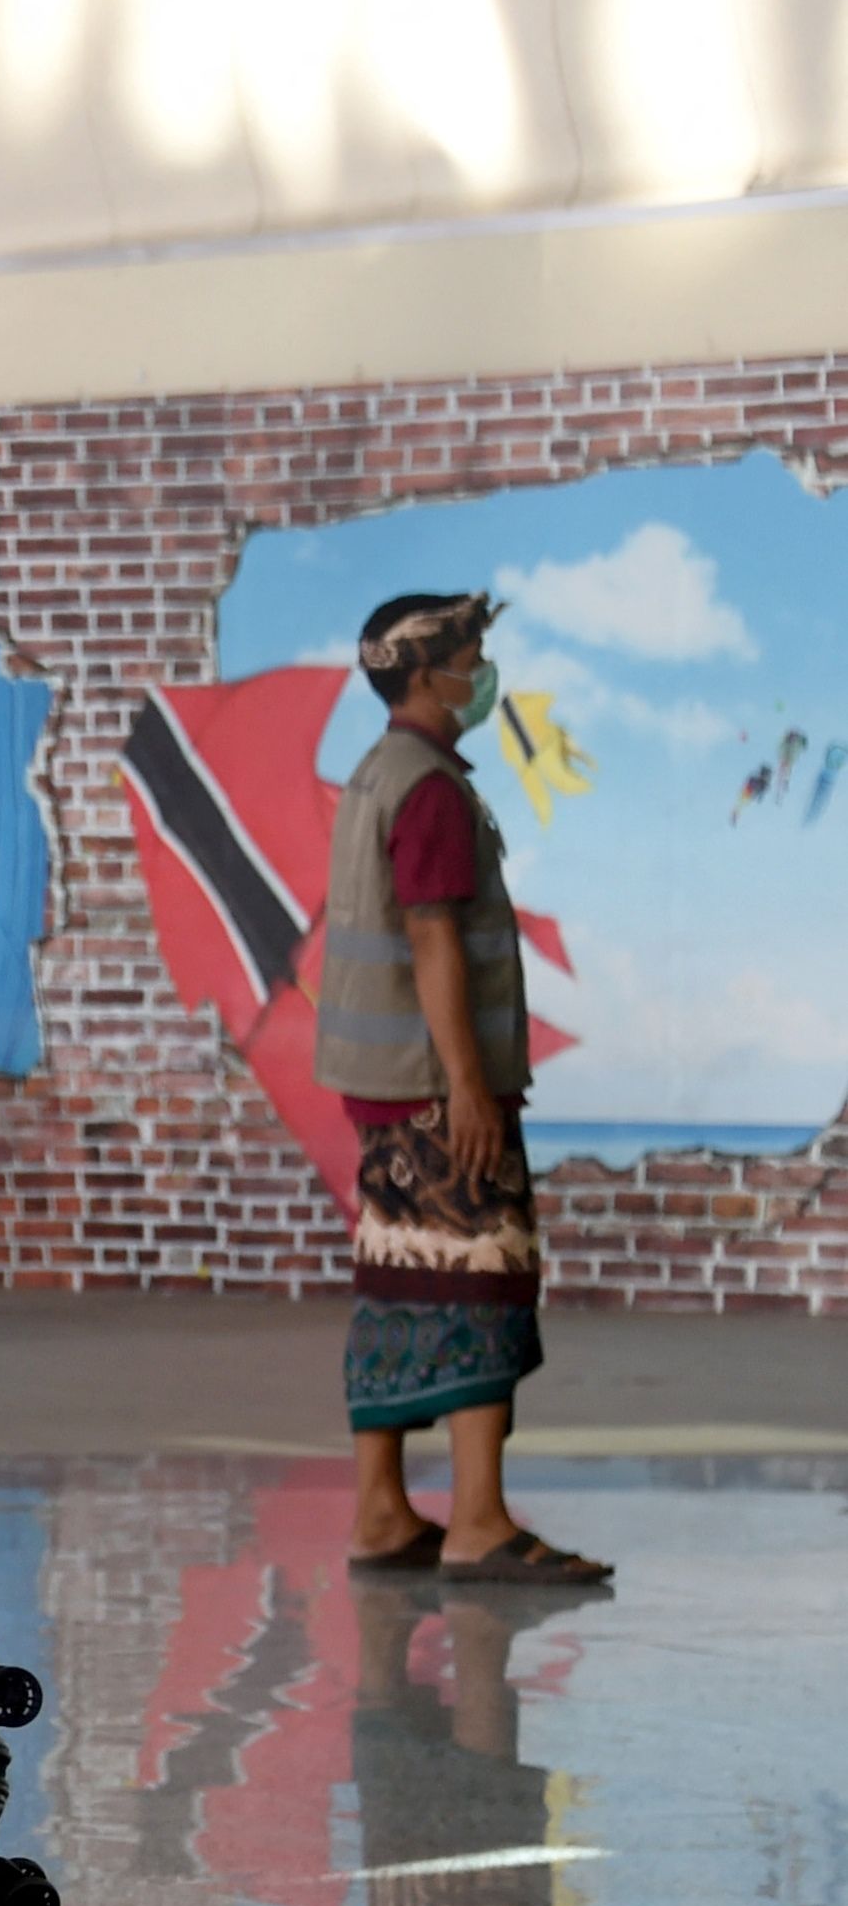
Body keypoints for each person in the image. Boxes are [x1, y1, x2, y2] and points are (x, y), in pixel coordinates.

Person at [320, 592, 608, 1585]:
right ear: (422, 672)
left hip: (387, 1090)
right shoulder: (430, 787)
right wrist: (471, 1091)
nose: (480, 673)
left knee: (398, 1283)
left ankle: (381, 1513)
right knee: (485, 1278)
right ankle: (478, 1519)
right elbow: (433, 935)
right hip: (438, 1091)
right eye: (470, 656)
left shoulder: (376, 773)